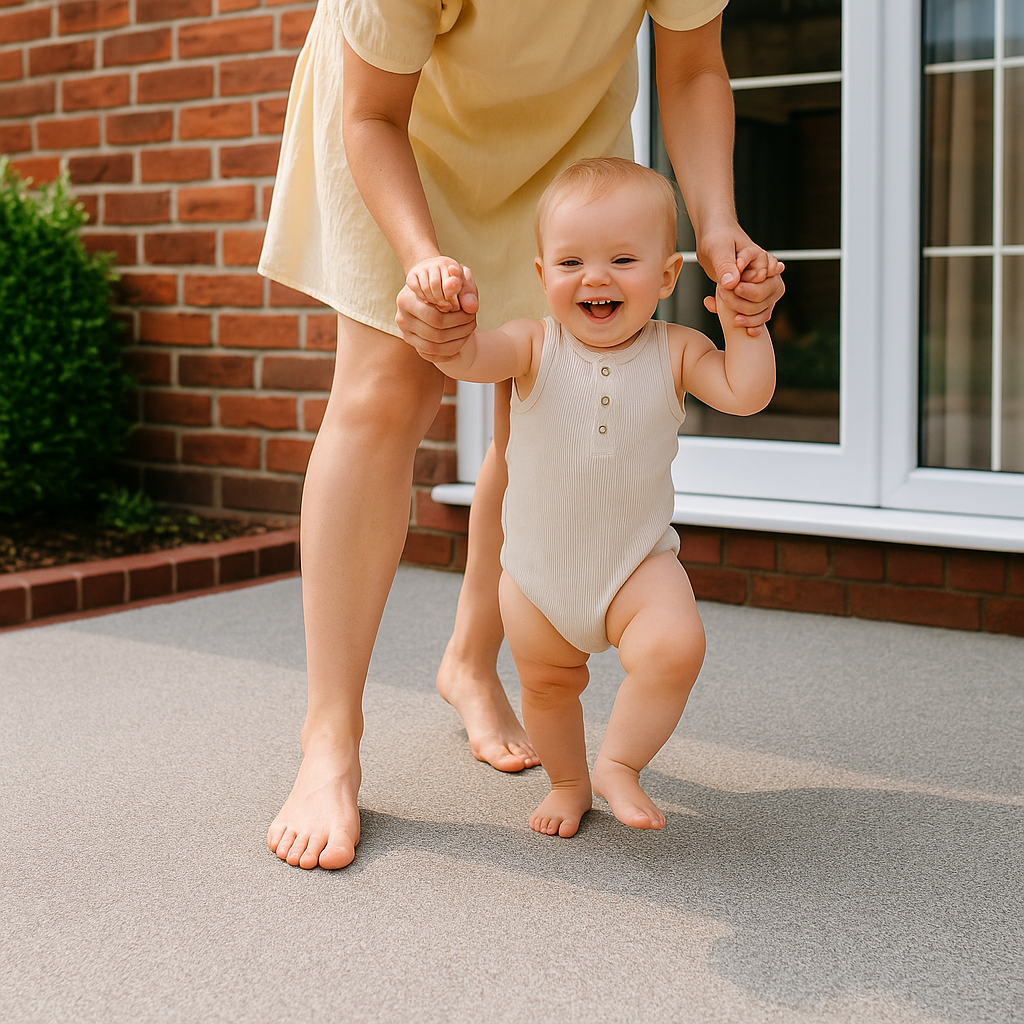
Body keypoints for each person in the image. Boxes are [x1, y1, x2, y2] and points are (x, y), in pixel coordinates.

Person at [258, 0, 784, 869]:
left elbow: (692, 67)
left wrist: (718, 221)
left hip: (562, 134)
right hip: (397, 126)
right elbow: (373, 112)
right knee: (388, 389)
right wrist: (423, 263)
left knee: (538, 403)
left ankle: (471, 661)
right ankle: (331, 738)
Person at [401, 158, 775, 837]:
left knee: (676, 647)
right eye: (571, 262)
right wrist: (448, 323)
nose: (595, 278)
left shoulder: (679, 351)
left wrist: (745, 326)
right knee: (548, 687)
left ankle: (619, 764)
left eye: (622, 260)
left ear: (668, 276)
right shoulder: (531, 344)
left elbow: (746, 394)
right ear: (542, 274)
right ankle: (569, 782)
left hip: (637, 564)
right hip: (538, 575)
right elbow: (468, 359)